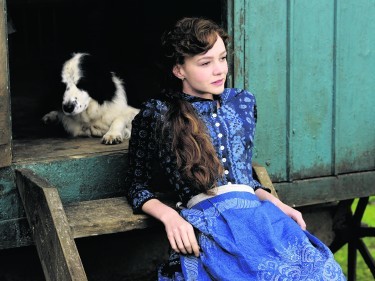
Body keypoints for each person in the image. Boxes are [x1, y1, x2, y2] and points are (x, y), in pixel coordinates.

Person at [125, 17, 345, 280]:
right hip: (212, 225)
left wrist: (276, 203)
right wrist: (171, 217)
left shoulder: (242, 102)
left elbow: (244, 177)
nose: (219, 70)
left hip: (258, 219)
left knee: (322, 272)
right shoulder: (158, 112)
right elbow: (136, 186)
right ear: (179, 70)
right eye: (205, 63)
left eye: (222, 58)